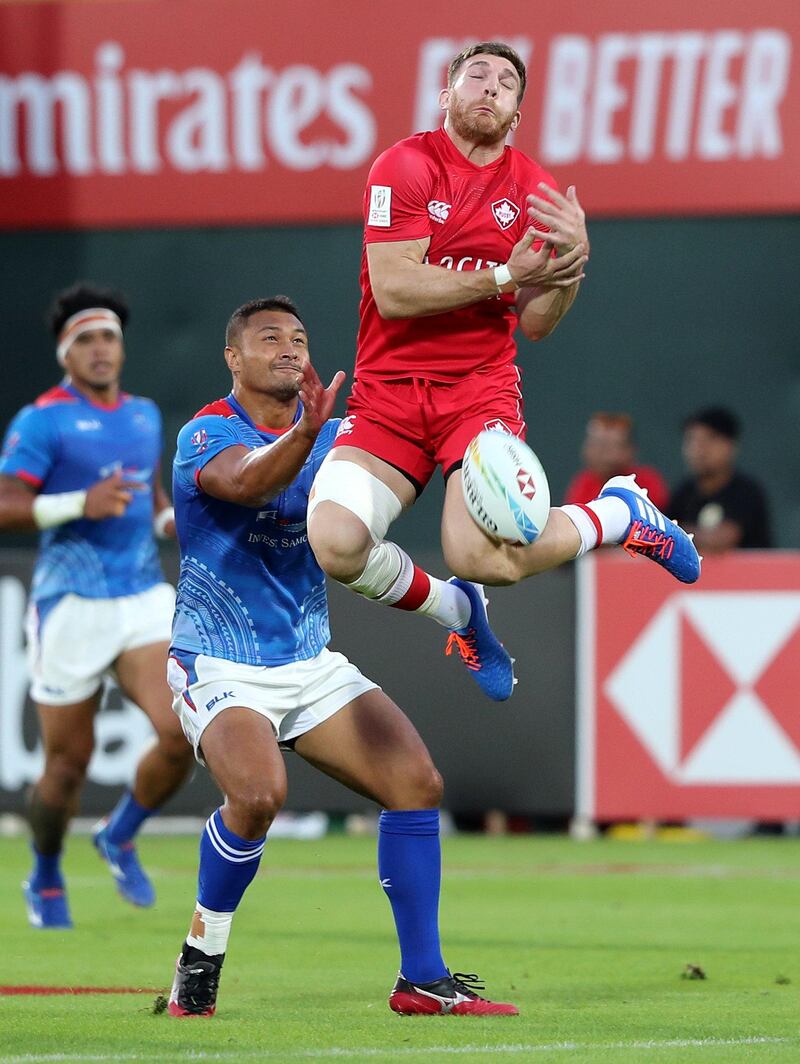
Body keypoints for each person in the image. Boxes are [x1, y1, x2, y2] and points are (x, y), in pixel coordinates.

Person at [306, 41, 700, 702]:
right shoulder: (402, 166)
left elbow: (538, 322)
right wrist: (505, 274)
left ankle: (621, 514)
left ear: (517, 112)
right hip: (388, 398)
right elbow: (395, 291)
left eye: (506, 83)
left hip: (476, 395)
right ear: (446, 95)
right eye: (476, 75)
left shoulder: (536, 192)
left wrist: (571, 266)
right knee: (336, 544)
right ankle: (461, 614)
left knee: (480, 558)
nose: (490, 88)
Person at [165, 295, 517, 1018]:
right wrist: (309, 433)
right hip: (219, 664)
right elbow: (244, 482)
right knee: (258, 798)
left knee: (416, 783)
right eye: (269, 340)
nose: (290, 349)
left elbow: (370, 509)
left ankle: (422, 980)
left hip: (310, 662)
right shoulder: (205, 433)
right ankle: (199, 963)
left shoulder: (335, 439)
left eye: (298, 337)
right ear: (233, 357)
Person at [0, 283, 194, 929]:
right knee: (66, 765)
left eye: (109, 335)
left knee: (186, 729)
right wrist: (79, 503)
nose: (101, 347)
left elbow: (152, 498)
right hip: (70, 605)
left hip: (140, 597)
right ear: (66, 352)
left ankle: (119, 833)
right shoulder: (42, 419)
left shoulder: (142, 415)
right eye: (86, 338)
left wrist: (174, 525)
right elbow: (5, 504)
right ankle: (47, 871)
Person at [669, 406, 772, 554]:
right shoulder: (684, 493)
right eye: (692, 439)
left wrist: (674, 533)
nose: (699, 449)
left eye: (709, 439)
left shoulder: (747, 491)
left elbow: (721, 540)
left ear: (730, 445)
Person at [564, 412, 669, 511]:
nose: (601, 453)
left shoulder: (647, 481)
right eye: (595, 444)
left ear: (630, 449)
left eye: (609, 446)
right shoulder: (584, 483)